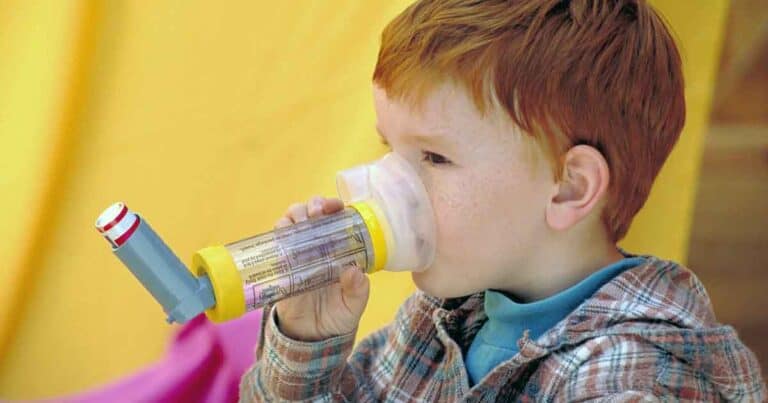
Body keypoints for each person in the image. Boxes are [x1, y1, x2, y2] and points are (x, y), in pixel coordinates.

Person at [240, 0, 766, 400]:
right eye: (389, 149)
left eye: (434, 158)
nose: (388, 188)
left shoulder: (634, 374)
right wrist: (307, 345)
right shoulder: (435, 326)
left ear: (569, 187)